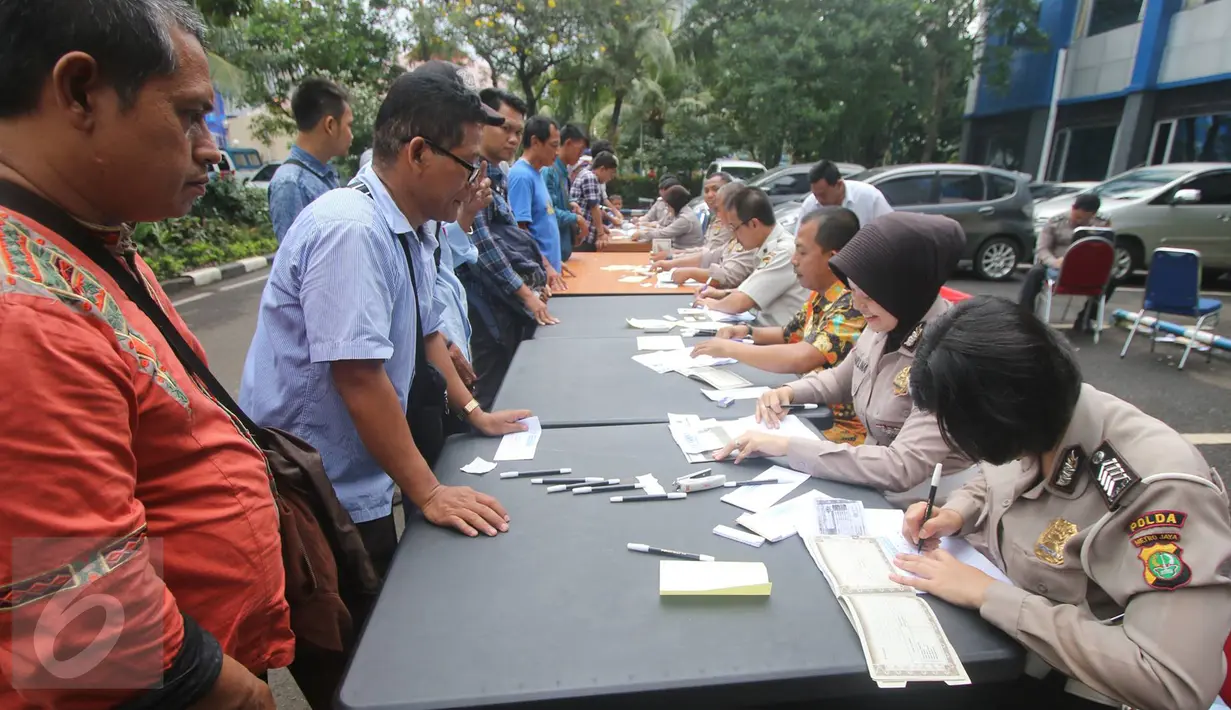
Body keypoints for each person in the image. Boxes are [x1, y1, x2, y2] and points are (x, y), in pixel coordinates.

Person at [0, 0, 291, 706]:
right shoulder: (25, 316)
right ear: (78, 93)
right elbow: (82, 628)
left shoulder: (86, 242)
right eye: (188, 115)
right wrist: (241, 697)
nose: (210, 145)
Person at [240, 66, 534, 577]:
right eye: (468, 166)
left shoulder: (414, 229)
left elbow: (427, 335)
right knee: (351, 644)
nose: (473, 186)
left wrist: (472, 412)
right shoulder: (352, 231)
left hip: (358, 480)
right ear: (418, 152)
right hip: (318, 490)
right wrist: (430, 491)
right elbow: (358, 376)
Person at [894, 295, 1231, 710]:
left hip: (1085, 686)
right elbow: (996, 478)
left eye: (953, 424)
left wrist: (988, 595)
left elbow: (1168, 680)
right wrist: (955, 512)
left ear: (997, 417)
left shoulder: (1158, 491)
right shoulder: (1041, 417)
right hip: (1014, 649)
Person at [717, 213, 974, 507]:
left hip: (920, 502)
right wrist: (788, 392)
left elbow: (901, 467)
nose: (856, 304)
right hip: (866, 476)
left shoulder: (948, 356)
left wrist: (787, 446)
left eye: (866, 295)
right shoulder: (890, 320)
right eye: (852, 292)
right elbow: (843, 377)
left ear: (903, 288)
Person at [692, 208, 867, 444]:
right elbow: (789, 334)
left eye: (802, 252)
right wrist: (747, 332)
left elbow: (803, 356)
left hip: (838, 429)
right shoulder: (822, 294)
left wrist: (730, 349)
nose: (794, 259)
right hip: (807, 410)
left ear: (833, 258)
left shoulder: (852, 304)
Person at [464, 88, 558, 410]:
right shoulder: (472, 172)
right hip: (480, 303)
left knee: (508, 382)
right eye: (505, 128)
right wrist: (524, 291)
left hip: (501, 301)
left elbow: (512, 238)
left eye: (517, 131)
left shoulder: (497, 173)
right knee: (487, 391)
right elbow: (482, 243)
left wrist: (538, 272)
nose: (512, 139)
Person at [695, 187, 809, 325]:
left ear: (754, 224)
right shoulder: (767, 245)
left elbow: (741, 302)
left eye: (734, 228)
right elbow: (751, 291)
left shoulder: (784, 251)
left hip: (778, 338)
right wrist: (721, 294)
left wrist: (711, 304)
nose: (734, 236)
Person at [268, 78, 354, 242]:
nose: (351, 135)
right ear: (330, 125)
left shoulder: (326, 174)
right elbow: (294, 260)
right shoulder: (291, 184)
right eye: (348, 125)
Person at [1019, 192, 1113, 332]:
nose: (1079, 220)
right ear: (1073, 208)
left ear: (1093, 214)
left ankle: (1085, 317)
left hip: (1087, 268)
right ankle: (1025, 317)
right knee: (1035, 272)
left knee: (1112, 278)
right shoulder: (1056, 222)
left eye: (1084, 218)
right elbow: (1042, 249)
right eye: (1077, 216)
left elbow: (1107, 247)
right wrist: (1054, 262)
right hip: (1058, 264)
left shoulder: (1102, 224)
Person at [653, 180, 756, 289]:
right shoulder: (736, 234)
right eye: (706, 190)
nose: (719, 216)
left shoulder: (749, 237)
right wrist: (672, 262)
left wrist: (689, 271)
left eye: (720, 210)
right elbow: (710, 256)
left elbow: (727, 276)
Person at [508, 116, 567, 291]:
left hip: (549, 275)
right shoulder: (521, 176)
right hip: (537, 276)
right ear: (535, 142)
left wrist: (555, 261)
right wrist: (546, 265)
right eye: (554, 145)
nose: (557, 152)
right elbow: (521, 232)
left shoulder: (537, 173)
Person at [797, 159, 893, 227]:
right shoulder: (809, 205)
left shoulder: (869, 197)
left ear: (839, 185)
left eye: (823, 195)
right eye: (815, 195)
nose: (818, 200)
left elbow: (890, 229)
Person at [542, 122, 588, 261]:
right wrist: (576, 219)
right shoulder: (549, 171)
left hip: (561, 253)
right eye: (580, 151)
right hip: (551, 256)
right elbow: (547, 212)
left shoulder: (563, 173)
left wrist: (571, 203)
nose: (580, 156)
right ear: (568, 143)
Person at [571, 151, 619, 251]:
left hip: (583, 232)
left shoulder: (586, 174)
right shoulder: (590, 177)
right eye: (610, 174)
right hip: (582, 235)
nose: (609, 178)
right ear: (602, 169)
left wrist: (600, 226)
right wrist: (601, 234)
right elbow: (594, 206)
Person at [635, 184, 704, 250]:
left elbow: (663, 234)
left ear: (674, 204)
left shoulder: (684, 219)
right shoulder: (683, 213)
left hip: (686, 254)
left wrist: (641, 235)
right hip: (679, 250)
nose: (668, 208)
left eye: (668, 205)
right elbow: (665, 229)